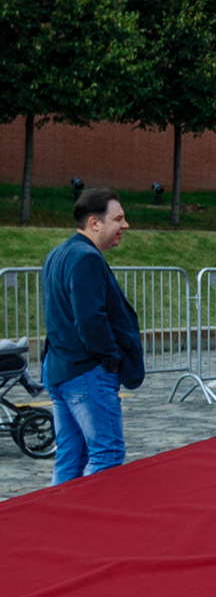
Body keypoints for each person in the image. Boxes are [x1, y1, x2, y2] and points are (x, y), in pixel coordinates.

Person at [39, 187, 144, 483]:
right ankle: (90, 524)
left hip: (61, 367)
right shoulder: (86, 258)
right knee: (106, 454)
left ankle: (59, 523)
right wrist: (111, 358)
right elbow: (90, 320)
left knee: (70, 457)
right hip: (86, 370)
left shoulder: (59, 253)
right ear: (94, 223)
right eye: (118, 218)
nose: (125, 225)